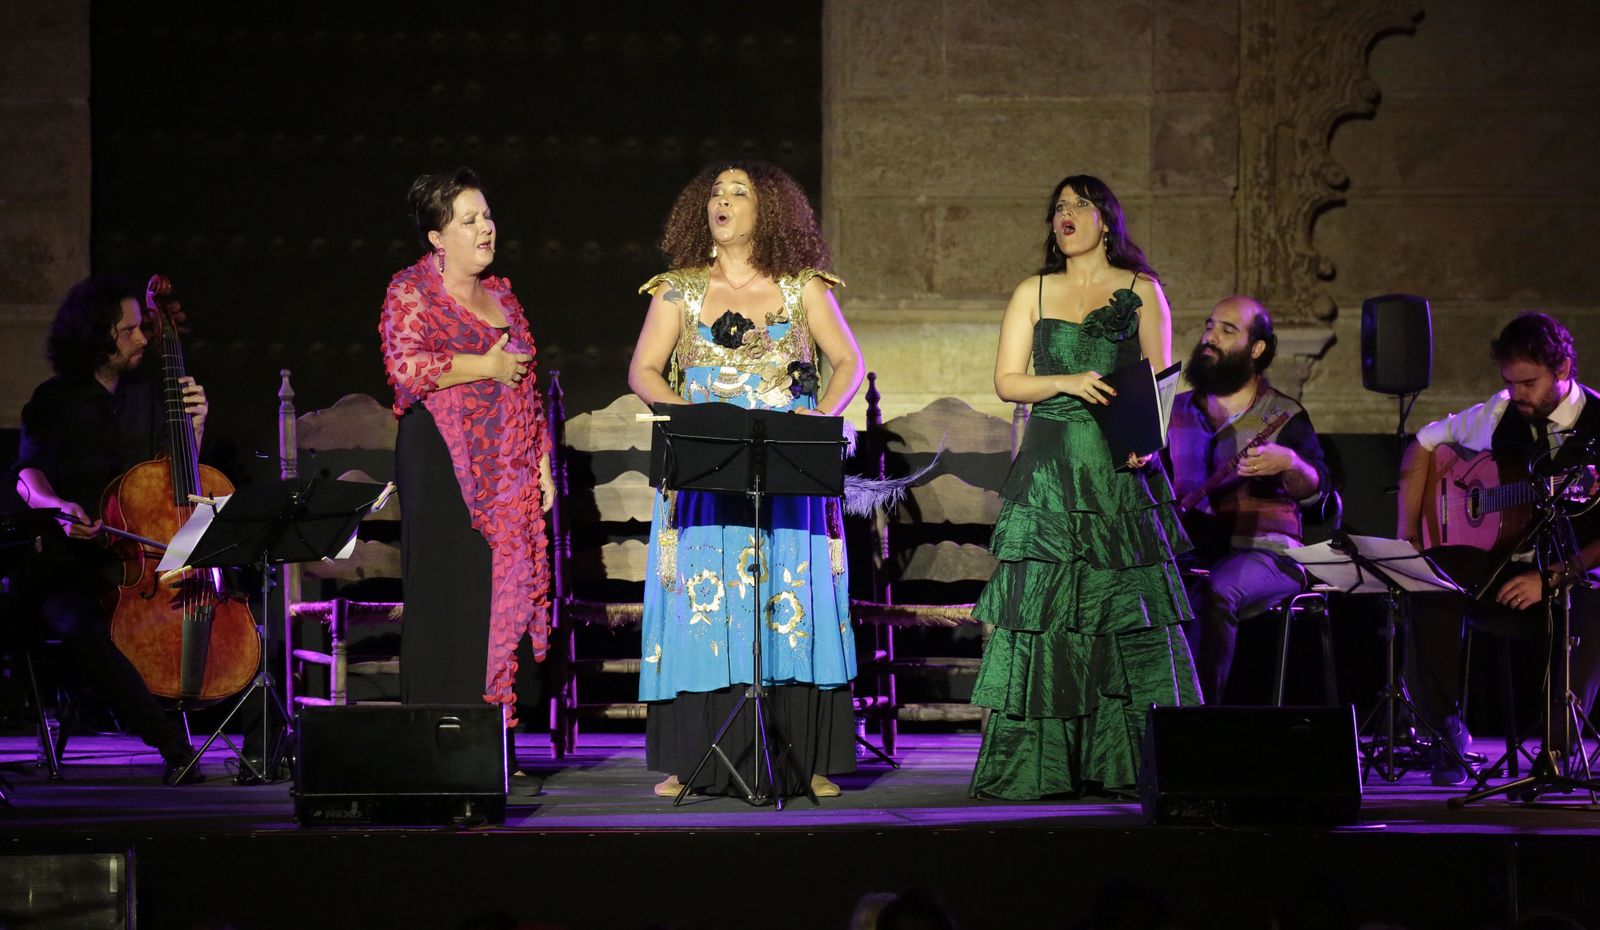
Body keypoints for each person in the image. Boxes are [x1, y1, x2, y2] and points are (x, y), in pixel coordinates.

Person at [627, 161, 864, 798]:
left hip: (785, 468)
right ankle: (693, 757)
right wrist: (688, 416)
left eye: (739, 192)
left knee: (790, 603)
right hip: (706, 468)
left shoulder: (802, 287)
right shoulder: (677, 290)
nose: (722, 201)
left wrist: (819, 418)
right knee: (704, 603)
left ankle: (803, 758)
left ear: (770, 211)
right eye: (714, 192)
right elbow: (645, 371)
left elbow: (848, 361)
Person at [968, 174, 1200, 800]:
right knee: (1047, 616)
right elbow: (1008, 381)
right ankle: (1043, 766)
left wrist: (1149, 448)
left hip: (1116, 467)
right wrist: (1067, 381)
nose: (1066, 214)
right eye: (1058, 207)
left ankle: (1130, 765)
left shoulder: (1142, 291)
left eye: (1080, 205)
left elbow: (1162, 387)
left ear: (1107, 219)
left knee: (1123, 616)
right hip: (1049, 467)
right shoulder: (1033, 292)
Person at [379, 167, 554, 787]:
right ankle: (437, 743)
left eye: (487, 216)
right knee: (447, 594)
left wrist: (542, 461)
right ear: (436, 236)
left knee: (493, 594)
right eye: (469, 220)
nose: (485, 228)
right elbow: (408, 369)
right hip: (439, 458)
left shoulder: (503, 295)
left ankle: (492, 745)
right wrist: (486, 362)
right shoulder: (411, 292)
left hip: (506, 465)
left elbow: (526, 381)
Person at [11, 274, 210, 784]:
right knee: (83, 629)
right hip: (72, 561)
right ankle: (171, 744)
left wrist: (196, 426)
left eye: (142, 328)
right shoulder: (54, 399)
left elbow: (179, 480)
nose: (142, 339)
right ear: (93, 336)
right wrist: (57, 506)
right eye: (127, 331)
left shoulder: (150, 395)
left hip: (139, 559)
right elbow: (26, 476)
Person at [1397, 311, 1600, 785]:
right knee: (1428, 581)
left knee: (1592, 609)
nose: (1518, 395)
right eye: (1510, 382)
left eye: (1529, 383)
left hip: (1577, 573)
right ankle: (1445, 733)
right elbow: (1423, 444)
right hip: (1509, 565)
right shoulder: (1499, 410)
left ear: (1564, 368)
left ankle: (1556, 750)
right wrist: (1408, 539)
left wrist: (1552, 577)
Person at [1165, 295, 1329, 702]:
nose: (1210, 337)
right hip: (1191, 551)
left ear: (1256, 349)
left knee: (1216, 592)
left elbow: (1319, 491)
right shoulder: (1175, 411)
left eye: (1227, 330)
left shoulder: (1284, 415)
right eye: (1209, 326)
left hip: (1268, 554)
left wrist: (1289, 462)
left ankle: (1197, 721)